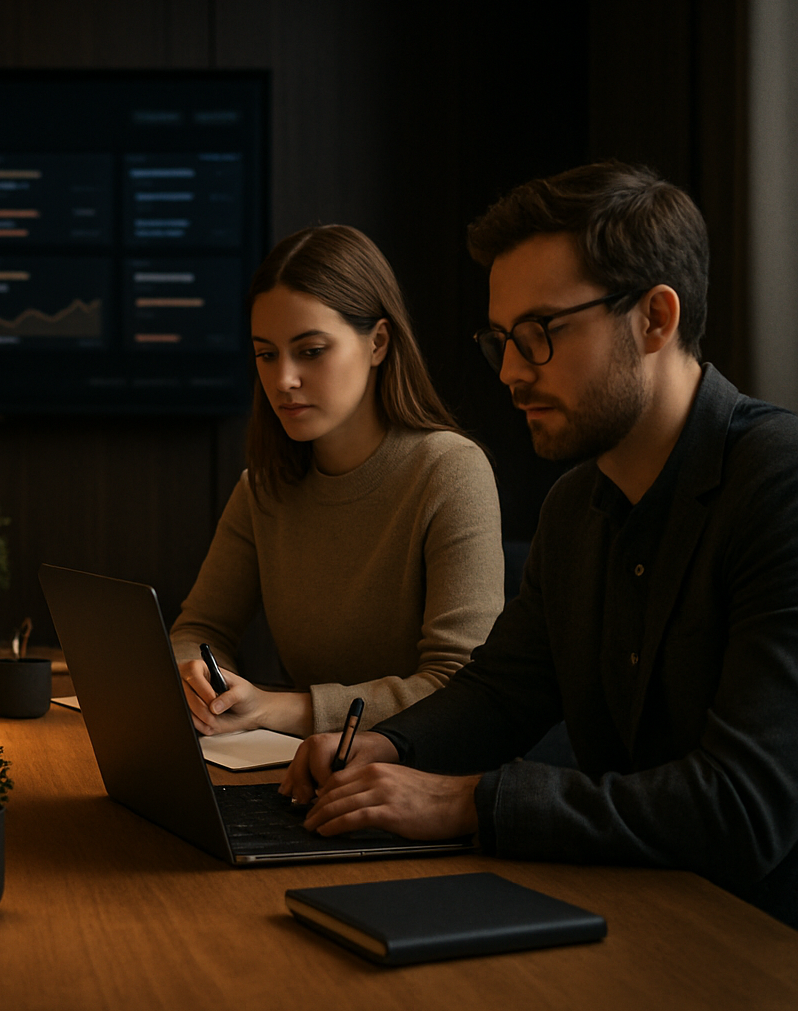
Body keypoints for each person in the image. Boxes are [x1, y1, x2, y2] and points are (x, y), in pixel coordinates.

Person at [281, 162, 798, 927]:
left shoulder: (777, 482)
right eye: (502, 341)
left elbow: (742, 810)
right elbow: (501, 695)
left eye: (540, 335)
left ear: (655, 319)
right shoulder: (575, 509)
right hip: (631, 918)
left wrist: (469, 802)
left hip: (755, 948)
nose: (513, 374)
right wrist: (384, 750)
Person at [172, 225, 504, 738]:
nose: (283, 379)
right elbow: (198, 630)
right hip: (299, 769)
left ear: (378, 343)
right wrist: (196, 677)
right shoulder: (263, 488)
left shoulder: (449, 470)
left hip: (419, 781)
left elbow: (460, 686)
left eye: (310, 351)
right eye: (266, 354)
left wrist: (278, 710)